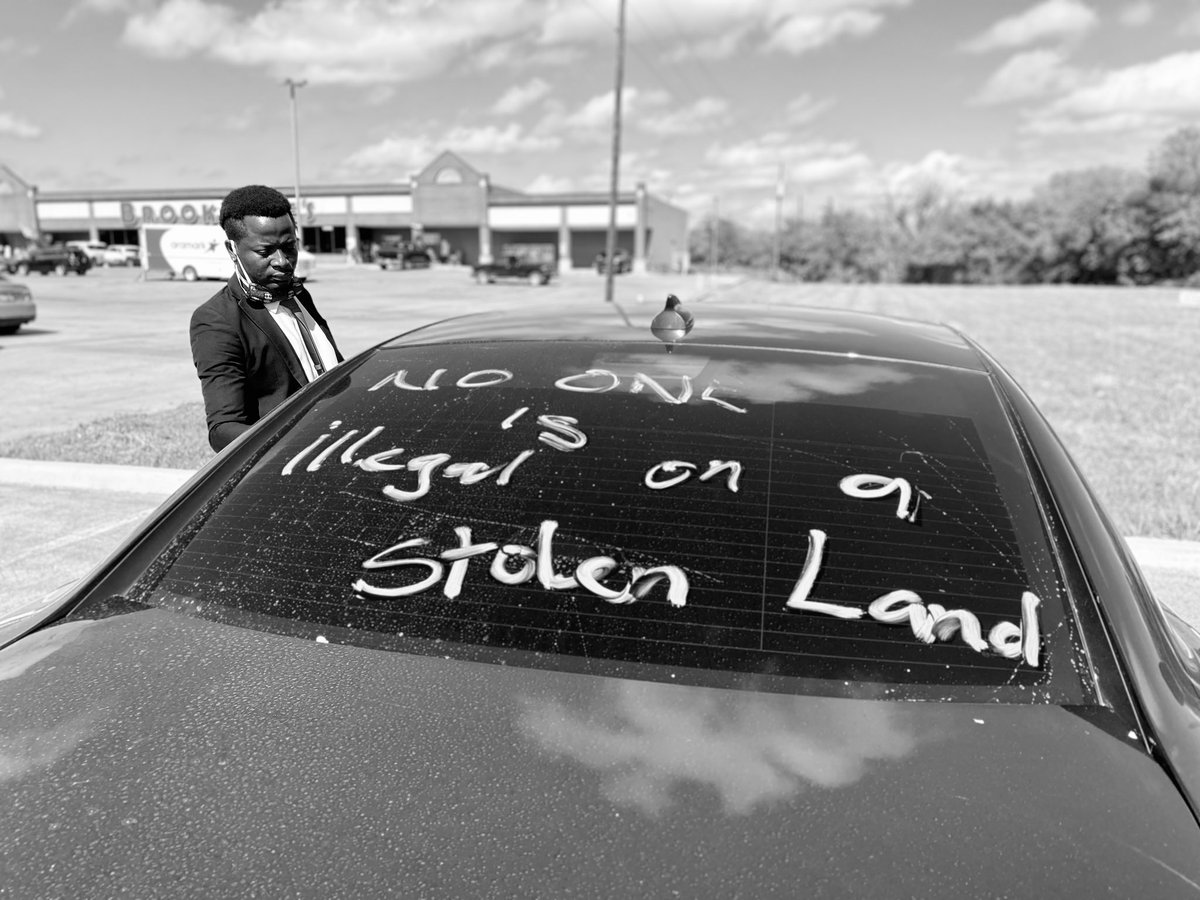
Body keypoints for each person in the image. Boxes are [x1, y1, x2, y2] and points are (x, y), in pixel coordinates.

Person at [189, 185, 342, 452]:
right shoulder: (216, 320)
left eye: (289, 247)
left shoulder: (298, 294)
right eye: (265, 252)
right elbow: (223, 429)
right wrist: (297, 446)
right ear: (232, 249)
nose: (282, 261)